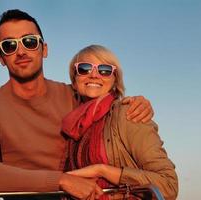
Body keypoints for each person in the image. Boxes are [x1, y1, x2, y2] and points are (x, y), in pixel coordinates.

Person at [0, 9, 154, 199]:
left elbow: (108, 105)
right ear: (1, 58)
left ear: (44, 49)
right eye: (9, 45)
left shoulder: (75, 96)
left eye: (29, 41)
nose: (21, 51)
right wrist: (60, 181)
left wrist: (137, 103)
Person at [61, 45, 178, 200]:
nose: (94, 75)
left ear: (115, 80)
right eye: (84, 68)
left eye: (104, 70)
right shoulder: (71, 124)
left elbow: (168, 184)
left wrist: (102, 171)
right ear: (74, 81)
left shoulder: (129, 113)